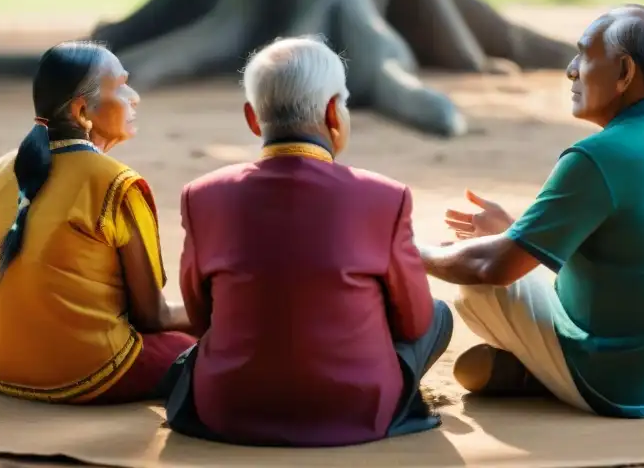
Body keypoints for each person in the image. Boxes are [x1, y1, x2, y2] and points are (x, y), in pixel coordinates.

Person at [421, 5, 644, 418]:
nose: (572, 69)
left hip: (627, 384)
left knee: (477, 286)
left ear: (625, 72)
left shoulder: (597, 156)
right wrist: (515, 231)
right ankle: (539, 372)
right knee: (512, 261)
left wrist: (413, 251)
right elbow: (640, 250)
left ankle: (553, 374)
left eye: (584, 55)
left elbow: (492, 267)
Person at [164, 36, 453, 447]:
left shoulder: (202, 195)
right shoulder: (385, 197)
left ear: (252, 117)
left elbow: (201, 314)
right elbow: (415, 323)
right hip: (355, 410)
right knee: (439, 315)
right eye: (346, 104)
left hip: (229, 406)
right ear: (334, 112)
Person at [0, 41, 193, 404]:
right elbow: (153, 317)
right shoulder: (116, 182)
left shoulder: (1, 169)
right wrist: (215, 312)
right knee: (208, 346)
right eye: (120, 87)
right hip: (83, 371)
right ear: (83, 110)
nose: (134, 97)